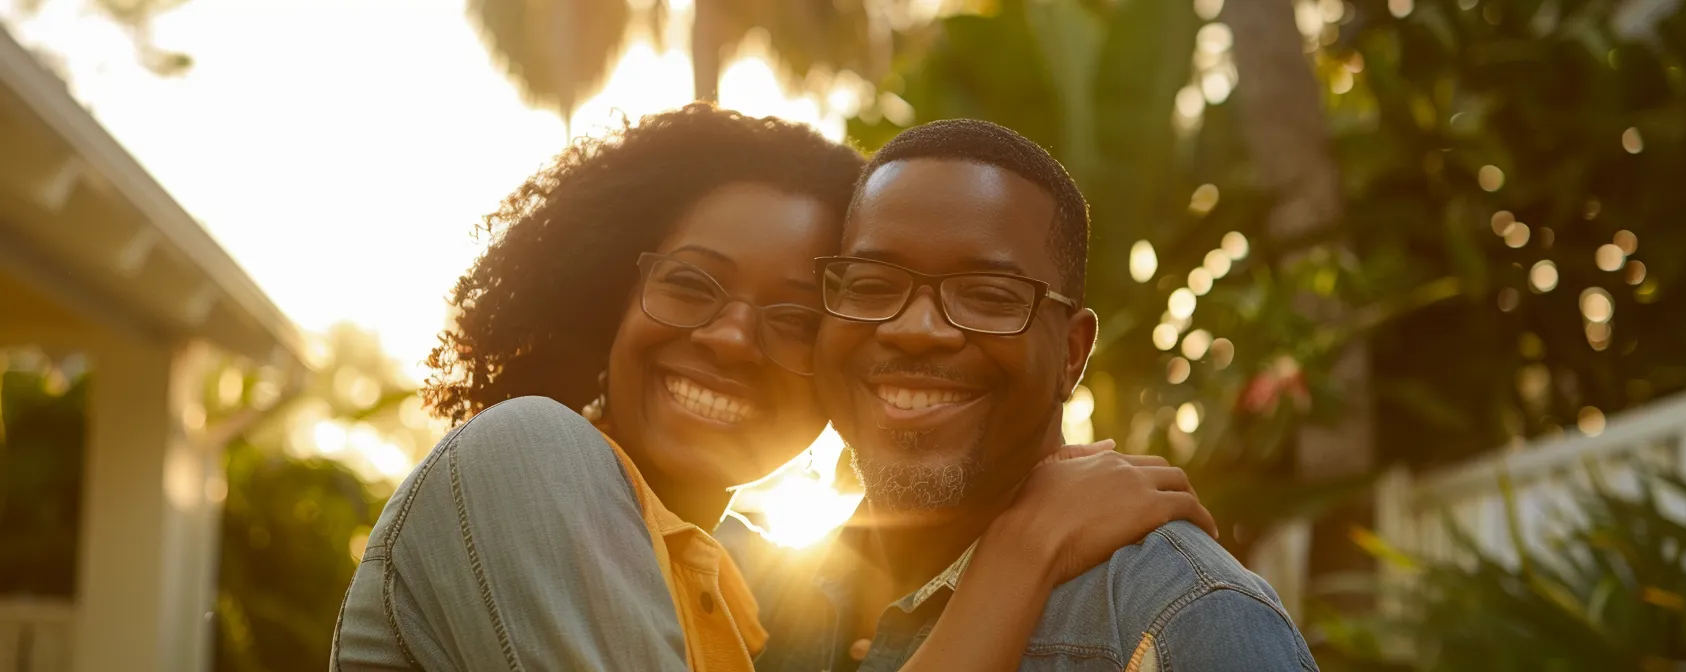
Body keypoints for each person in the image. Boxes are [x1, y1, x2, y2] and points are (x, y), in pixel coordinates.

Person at [330, 104, 1217, 671]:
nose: (727, 338)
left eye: (794, 318)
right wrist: (1024, 548)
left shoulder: (746, 589)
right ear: (612, 292)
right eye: (690, 284)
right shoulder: (529, 456)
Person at [744, 119, 1319, 671]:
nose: (916, 329)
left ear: (1072, 353)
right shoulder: (756, 605)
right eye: (871, 285)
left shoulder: (1180, 620)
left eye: (989, 296)